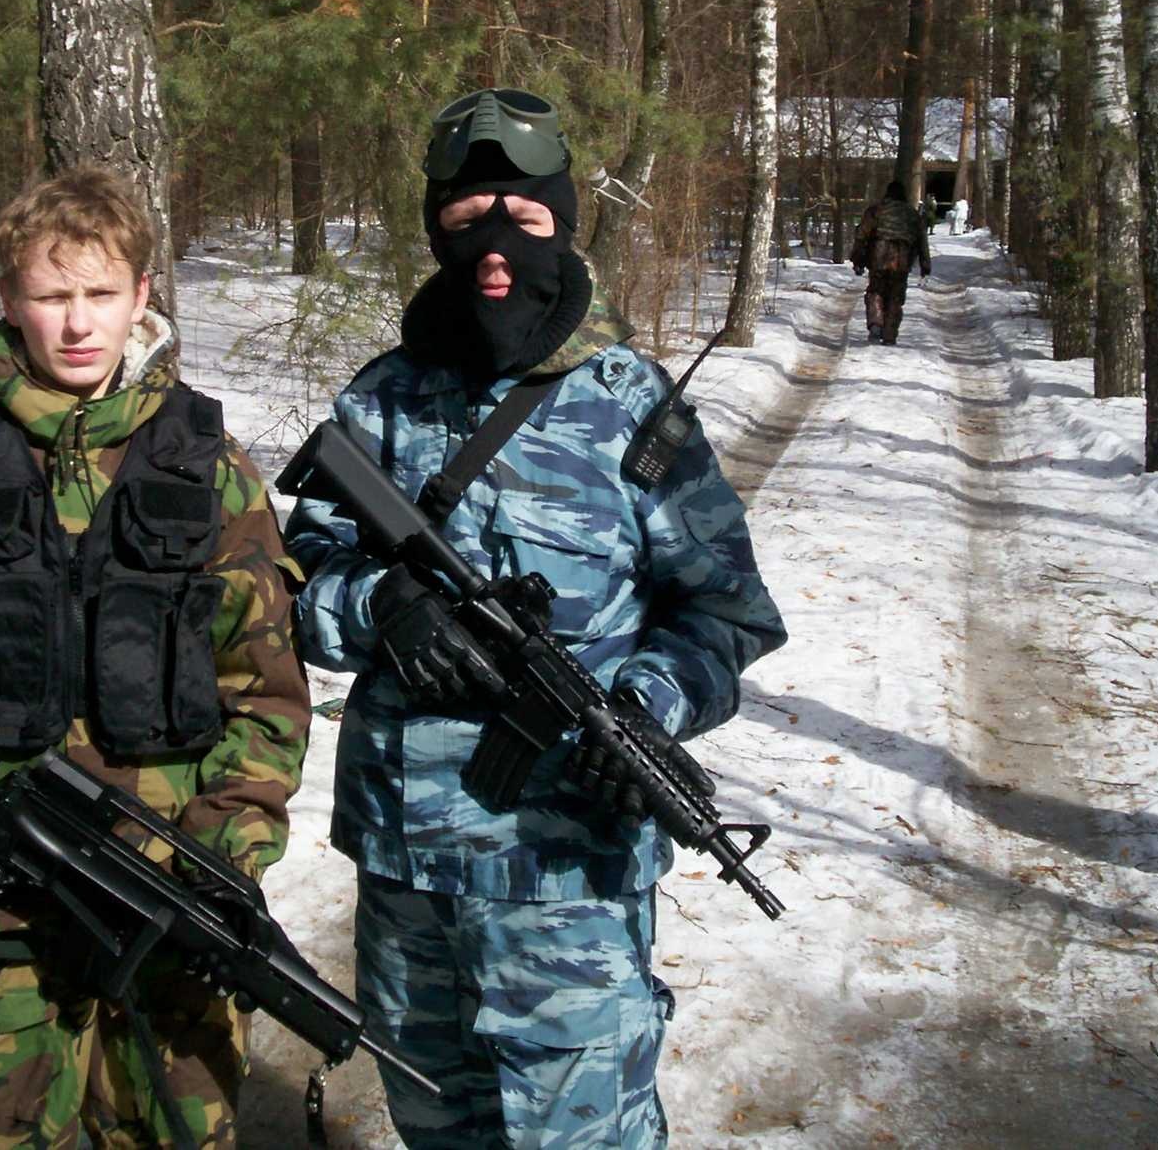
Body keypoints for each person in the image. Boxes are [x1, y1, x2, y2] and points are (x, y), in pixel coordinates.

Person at [282, 88, 787, 1148]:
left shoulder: (629, 403)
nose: (496, 250)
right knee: (434, 1123)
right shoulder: (382, 402)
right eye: (467, 222)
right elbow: (296, 587)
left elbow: (726, 611)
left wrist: (647, 706)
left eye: (526, 218)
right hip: (407, 869)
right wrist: (383, 605)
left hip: (567, 877)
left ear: (564, 223)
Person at [0, 165, 311, 1149]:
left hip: (170, 891)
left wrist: (223, 855)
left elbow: (266, 693)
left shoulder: (211, 469)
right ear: (9, 299)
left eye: (100, 293)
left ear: (141, 296)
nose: (78, 323)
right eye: (51, 296)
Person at [849, 179, 931, 345]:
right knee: (896, 296)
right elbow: (922, 240)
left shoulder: (876, 210)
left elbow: (862, 235)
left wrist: (857, 258)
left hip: (878, 257)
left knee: (876, 290)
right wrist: (925, 264)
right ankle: (889, 334)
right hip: (902, 259)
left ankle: (876, 323)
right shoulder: (911, 214)